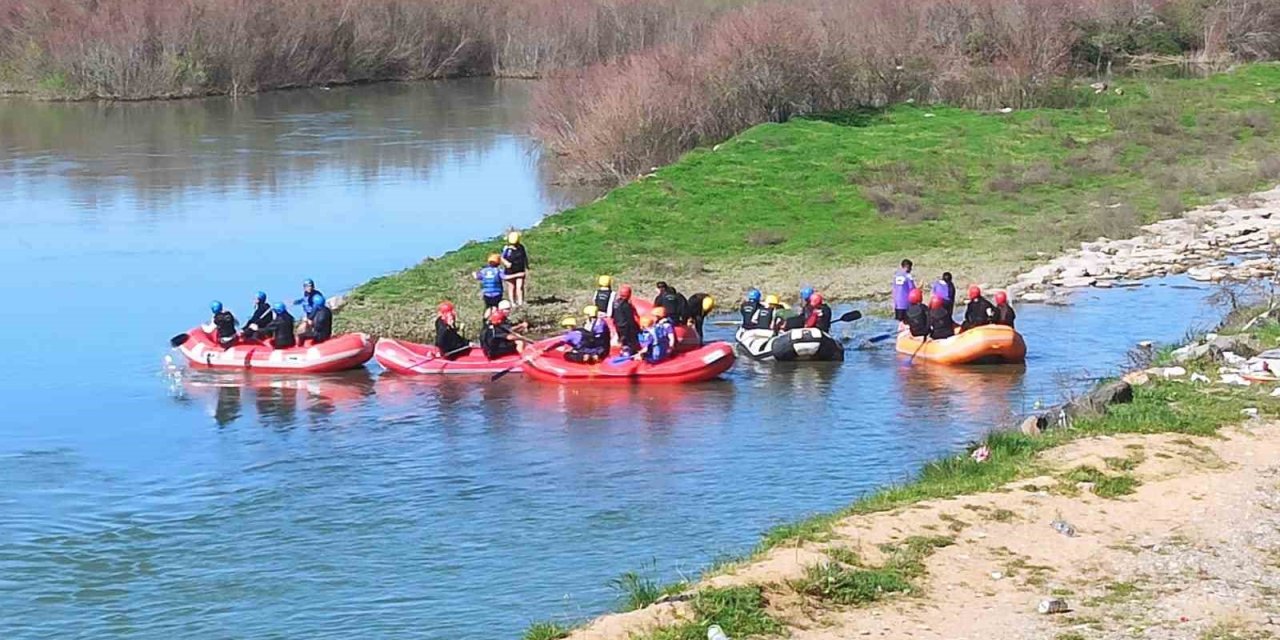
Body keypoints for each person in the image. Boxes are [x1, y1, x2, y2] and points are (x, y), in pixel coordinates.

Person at [500, 231, 528, 307]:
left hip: (520, 270)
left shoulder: (521, 247)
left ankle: (520, 302)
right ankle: (512, 302)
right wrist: (506, 262)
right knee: (511, 287)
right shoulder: (506, 249)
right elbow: (501, 257)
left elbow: (524, 257)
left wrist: (526, 265)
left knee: (520, 287)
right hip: (510, 271)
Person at [612, 285, 642, 354]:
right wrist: (637, 327)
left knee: (623, 339)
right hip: (626, 326)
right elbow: (630, 318)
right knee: (630, 341)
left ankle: (624, 349)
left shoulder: (615, 303)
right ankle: (631, 352)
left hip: (618, 325)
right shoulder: (626, 305)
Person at [474, 254, 505, 319]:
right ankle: (494, 320)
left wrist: (474, 274)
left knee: (488, 307)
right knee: (495, 307)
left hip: (486, 293)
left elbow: (478, 277)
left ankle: (485, 320)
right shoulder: (498, 270)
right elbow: (504, 277)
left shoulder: (483, 271)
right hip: (497, 292)